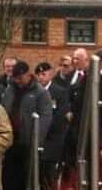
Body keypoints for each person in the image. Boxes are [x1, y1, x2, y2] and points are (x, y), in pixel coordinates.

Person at [0, 61, 52, 190]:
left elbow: (45, 118)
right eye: (15, 78)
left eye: (20, 78)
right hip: (9, 142)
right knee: (8, 178)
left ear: (28, 74)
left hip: (28, 143)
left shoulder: (40, 93)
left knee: (25, 180)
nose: (18, 81)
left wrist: (36, 141)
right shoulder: (10, 90)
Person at [34, 62, 69, 190]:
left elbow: (60, 116)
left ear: (51, 74)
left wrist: (43, 128)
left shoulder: (59, 92)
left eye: (43, 74)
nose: (40, 77)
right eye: (38, 74)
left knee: (48, 176)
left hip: (51, 140)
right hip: (36, 138)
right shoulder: (34, 91)